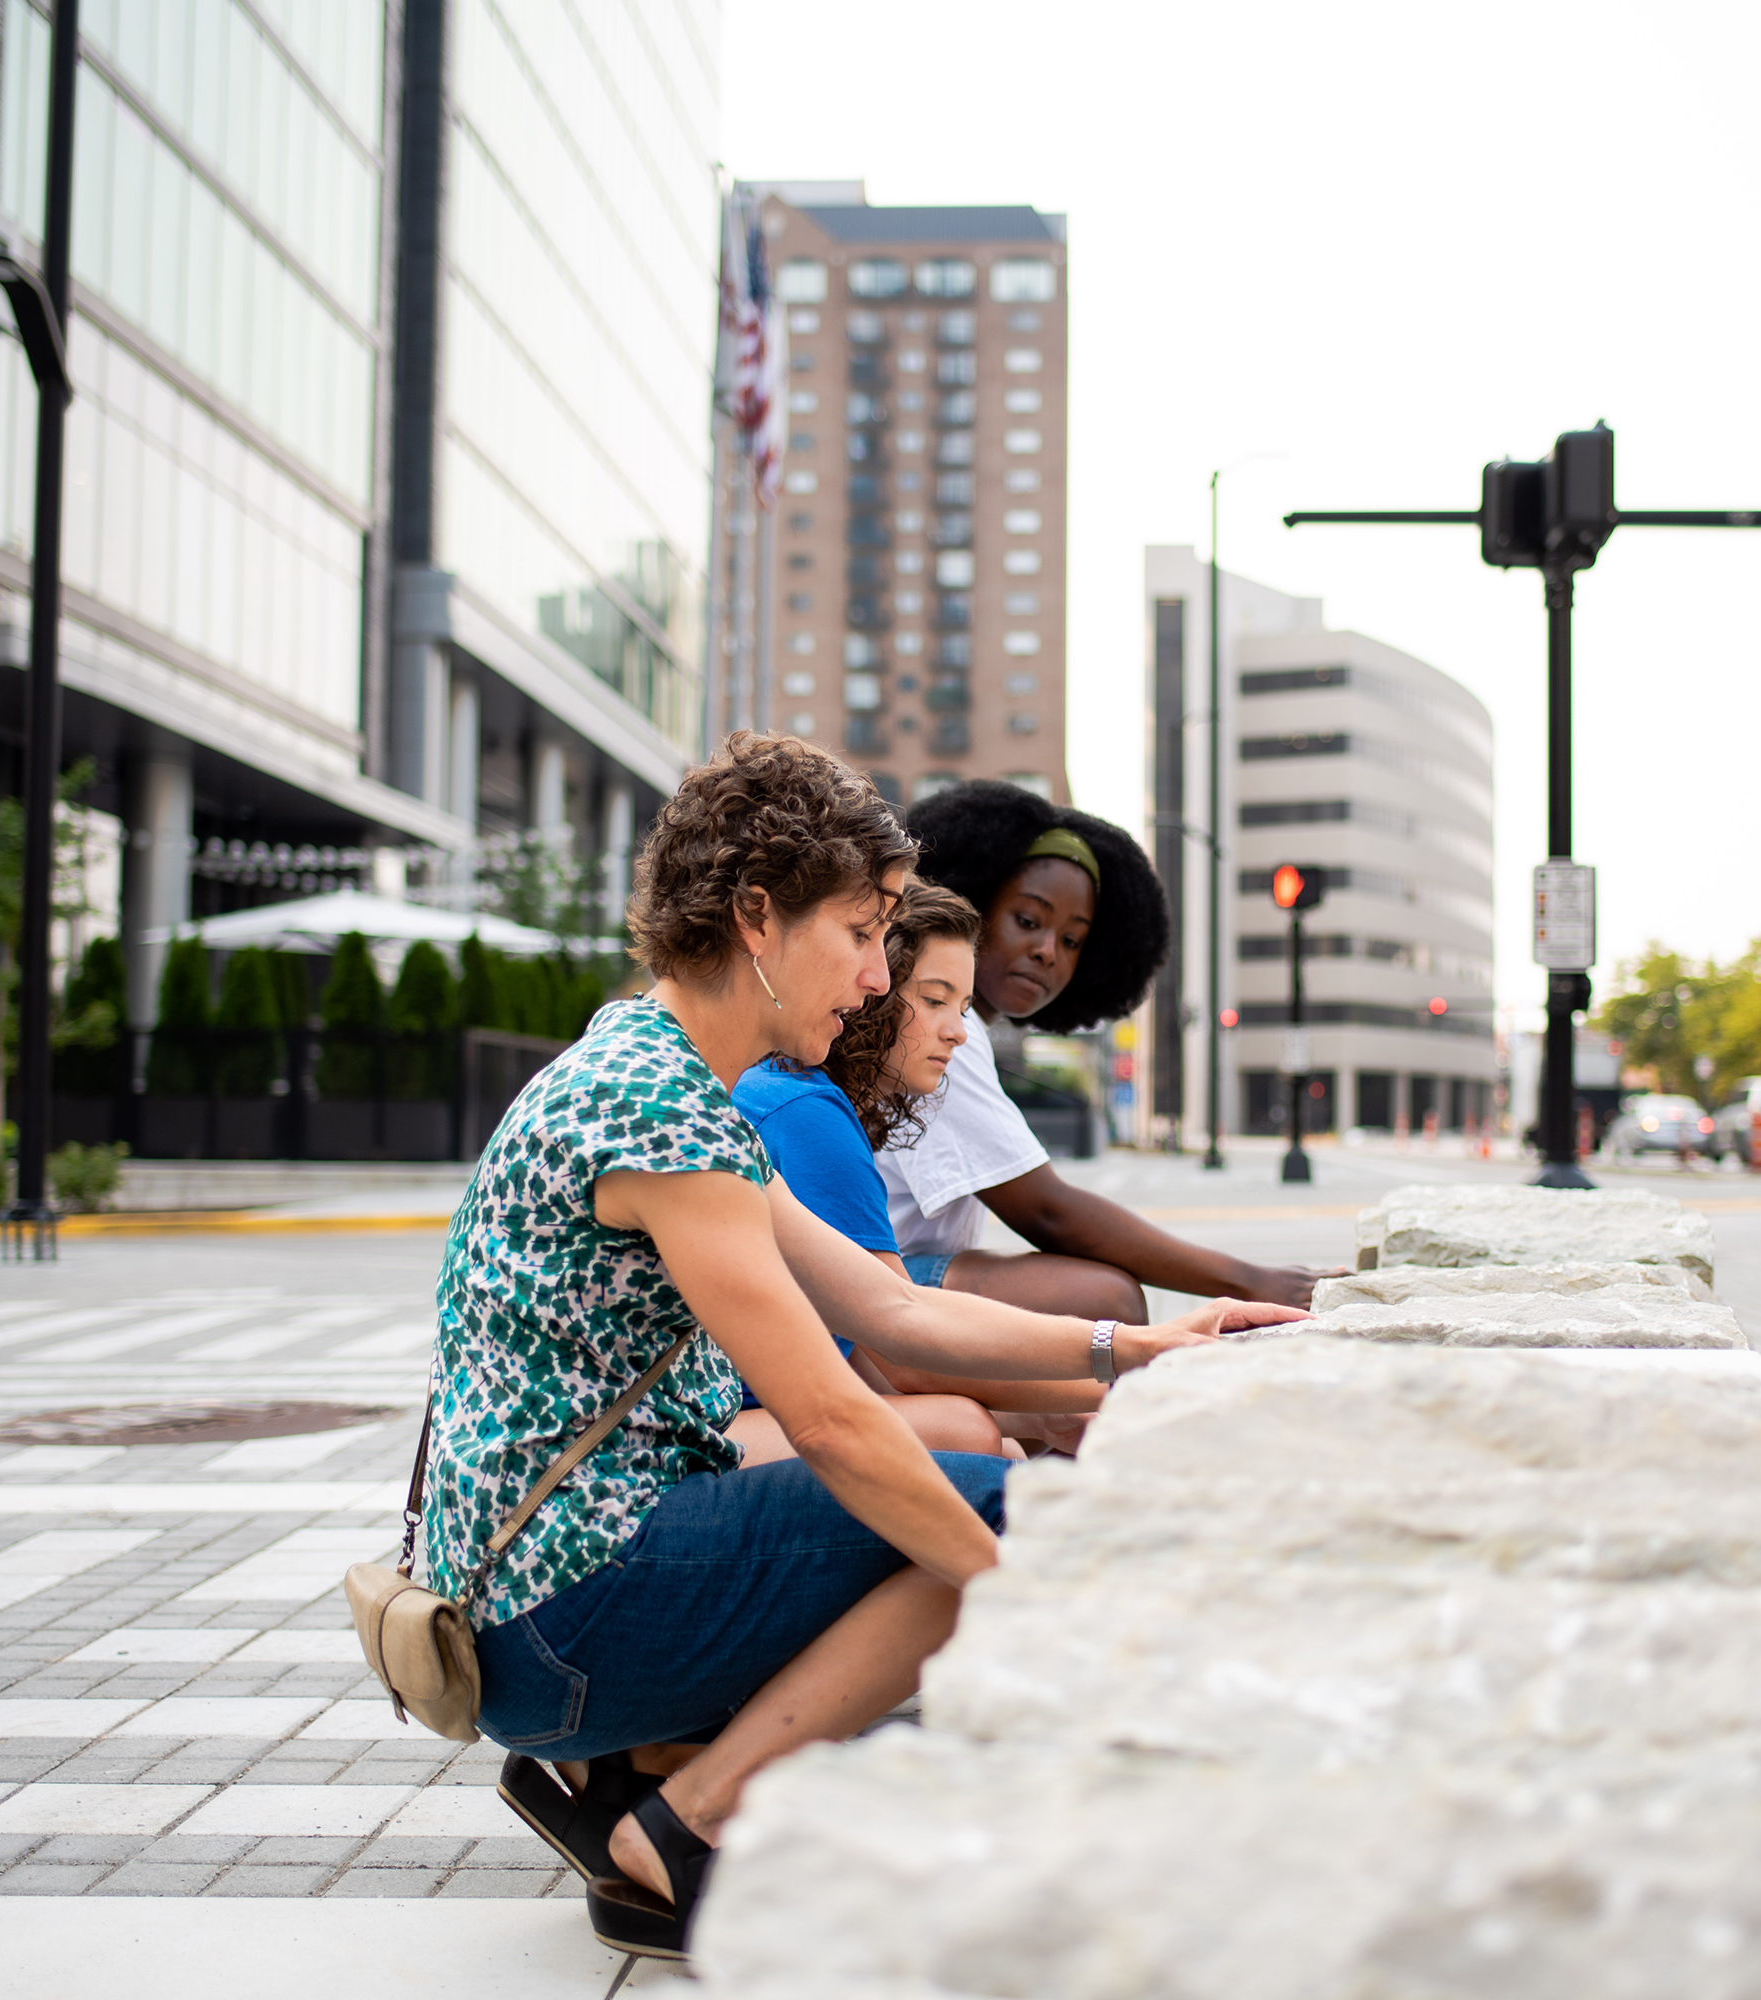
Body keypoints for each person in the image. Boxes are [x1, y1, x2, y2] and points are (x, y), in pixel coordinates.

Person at [426, 734, 1297, 1961]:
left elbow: (894, 1311)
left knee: (971, 1496)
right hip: (555, 1620)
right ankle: (675, 1827)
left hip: (544, 1591)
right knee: (1000, 1510)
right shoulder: (656, 1106)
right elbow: (836, 1417)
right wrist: (1032, 1594)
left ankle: (674, 1764)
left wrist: (1150, 1346)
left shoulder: (654, 1062)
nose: (882, 978)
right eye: (863, 933)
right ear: (757, 916)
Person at [884, 779, 1331, 1317]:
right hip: (873, 1284)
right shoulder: (938, 1029)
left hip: (892, 1268)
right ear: (970, 904)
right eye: (1027, 920)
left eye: (1073, 940)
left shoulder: (956, 1024)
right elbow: (1047, 1211)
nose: (1047, 950)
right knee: (1103, 1298)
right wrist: (1251, 1281)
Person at [734, 883, 1101, 1457]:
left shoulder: (793, 1092)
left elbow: (865, 1364)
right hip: (704, 1430)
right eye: (934, 1000)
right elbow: (902, 1350)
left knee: (993, 1440)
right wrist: (1115, 1372)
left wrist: (1044, 1419)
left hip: (749, 1409)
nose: (958, 1030)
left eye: (962, 1008)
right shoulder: (805, 1112)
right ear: (873, 990)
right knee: (967, 1435)